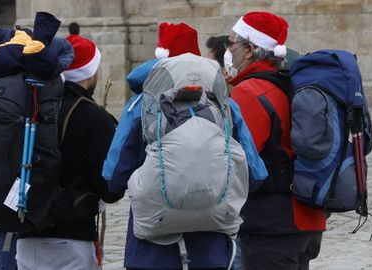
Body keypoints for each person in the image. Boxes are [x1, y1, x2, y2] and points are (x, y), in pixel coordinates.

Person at [102, 22, 267, 270]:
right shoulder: (225, 107)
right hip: (212, 250)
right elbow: (255, 176)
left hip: (151, 252)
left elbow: (113, 179)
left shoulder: (140, 106)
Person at [225, 12, 327, 270]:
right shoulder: (290, 84)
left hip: (272, 225)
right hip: (306, 218)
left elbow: (239, 162)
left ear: (249, 50)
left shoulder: (250, 92)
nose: (228, 52)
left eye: (231, 44)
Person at [16, 33, 124, 270]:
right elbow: (109, 189)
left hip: (25, 239)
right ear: (91, 73)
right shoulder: (94, 117)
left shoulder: (31, 106)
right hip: (72, 240)